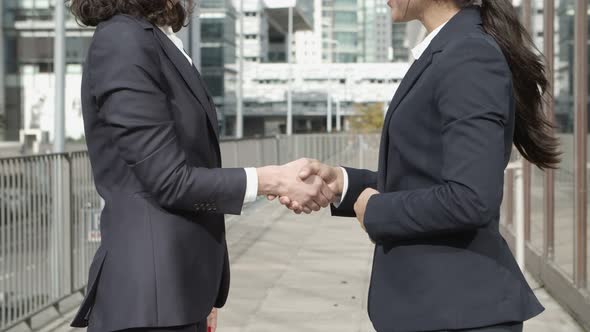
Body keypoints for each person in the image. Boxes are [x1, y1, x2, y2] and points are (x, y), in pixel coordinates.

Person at [278, 0, 560, 331]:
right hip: (438, 308)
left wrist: (376, 210)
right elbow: (427, 175)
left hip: (457, 311)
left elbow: (470, 198)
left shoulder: (469, 54)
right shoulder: (449, 48)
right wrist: (343, 183)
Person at [67, 1, 338, 331]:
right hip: (151, 299)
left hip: (178, 291)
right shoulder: (123, 41)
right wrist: (274, 180)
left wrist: (202, 293)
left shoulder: (155, 40)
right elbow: (169, 180)